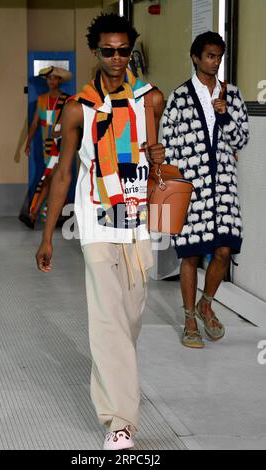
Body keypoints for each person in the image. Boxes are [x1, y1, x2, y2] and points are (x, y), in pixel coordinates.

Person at [35, 13, 165, 450]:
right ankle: (120, 422)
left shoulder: (151, 100)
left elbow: (158, 168)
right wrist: (48, 234)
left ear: (132, 51)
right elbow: (64, 172)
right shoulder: (79, 107)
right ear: (96, 51)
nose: (115, 58)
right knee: (108, 323)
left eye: (123, 50)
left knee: (129, 321)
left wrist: (158, 154)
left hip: (139, 224)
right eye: (107, 50)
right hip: (95, 223)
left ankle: (117, 389)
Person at [161, 31, 249, 349]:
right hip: (191, 187)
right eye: (210, 55)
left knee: (224, 250)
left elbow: (239, 140)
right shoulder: (180, 98)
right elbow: (169, 145)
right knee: (191, 255)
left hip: (223, 188)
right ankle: (188, 319)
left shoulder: (231, 95)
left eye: (219, 56)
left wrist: (224, 117)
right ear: (196, 57)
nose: (215, 62)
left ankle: (206, 303)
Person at [24, 66, 72, 227]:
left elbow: (71, 122)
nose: (52, 81)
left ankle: (35, 212)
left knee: (50, 178)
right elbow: (34, 124)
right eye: (49, 78)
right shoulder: (42, 99)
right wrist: (27, 143)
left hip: (62, 145)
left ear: (59, 80)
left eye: (55, 78)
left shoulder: (67, 99)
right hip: (47, 146)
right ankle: (55, 214)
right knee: (53, 179)